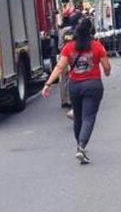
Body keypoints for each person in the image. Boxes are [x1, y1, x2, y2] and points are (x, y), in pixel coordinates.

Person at [42, 18, 112, 164]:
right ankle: (81, 146)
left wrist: (48, 84)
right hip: (93, 85)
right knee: (89, 117)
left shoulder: (68, 47)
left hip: (75, 86)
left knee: (78, 117)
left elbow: (60, 67)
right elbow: (107, 67)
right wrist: (106, 72)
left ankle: (79, 145)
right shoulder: (97, 46)